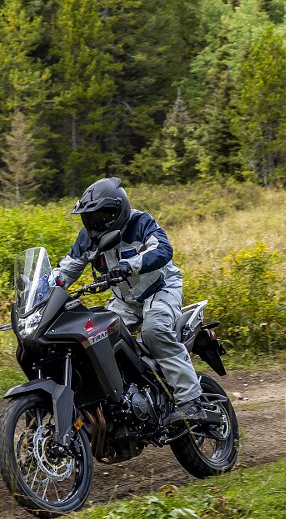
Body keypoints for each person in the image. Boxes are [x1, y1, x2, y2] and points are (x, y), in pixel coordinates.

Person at [51, 177, 204, 424]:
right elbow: (68, 269)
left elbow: (163, 250)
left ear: (116, 210)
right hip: (124, 300)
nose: (93, 223)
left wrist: (129, 266)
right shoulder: (87, 237)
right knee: (96, 338)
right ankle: (121, 399)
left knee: (154, 331)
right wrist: (41, 288)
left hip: (160, 288)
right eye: (89, 217)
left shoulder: (141, 222)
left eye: (99, 217)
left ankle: (191, 400)